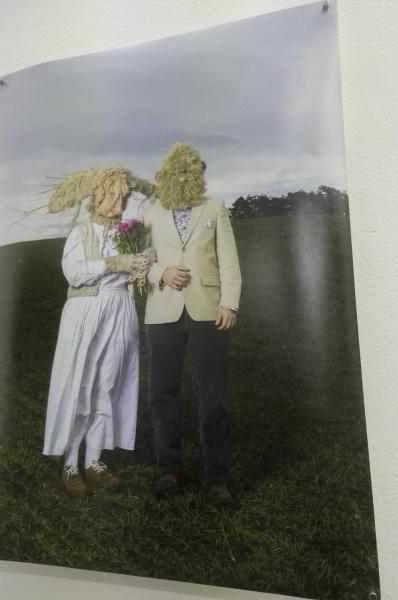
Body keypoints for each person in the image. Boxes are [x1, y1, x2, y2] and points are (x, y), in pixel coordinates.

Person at [42, 166, 156, 493]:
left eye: (120, 199)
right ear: (96, 198)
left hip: (120, 309)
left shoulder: (131, 232)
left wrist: (145, 259)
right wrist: (113, 263)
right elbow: (74, 273)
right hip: (86, 311)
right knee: (81, 385)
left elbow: (139, 271)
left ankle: (94, 460)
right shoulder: (82, 232)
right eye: (108, 197)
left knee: (108, 384)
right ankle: (70, 463)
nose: (114, 205)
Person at [141, 143, 242, 504]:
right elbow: (139, 260)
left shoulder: (214, 207)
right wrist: (161, 272)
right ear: (165, 175)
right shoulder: (149, 214)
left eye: (190, 172)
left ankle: (216, 478)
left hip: (209, 313)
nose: (184, 178)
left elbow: (228, 260)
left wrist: (229, 302)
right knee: (161, 394)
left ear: (198, 175)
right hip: (161, 314)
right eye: (177, 172)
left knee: (212, 396)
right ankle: (168, 471)